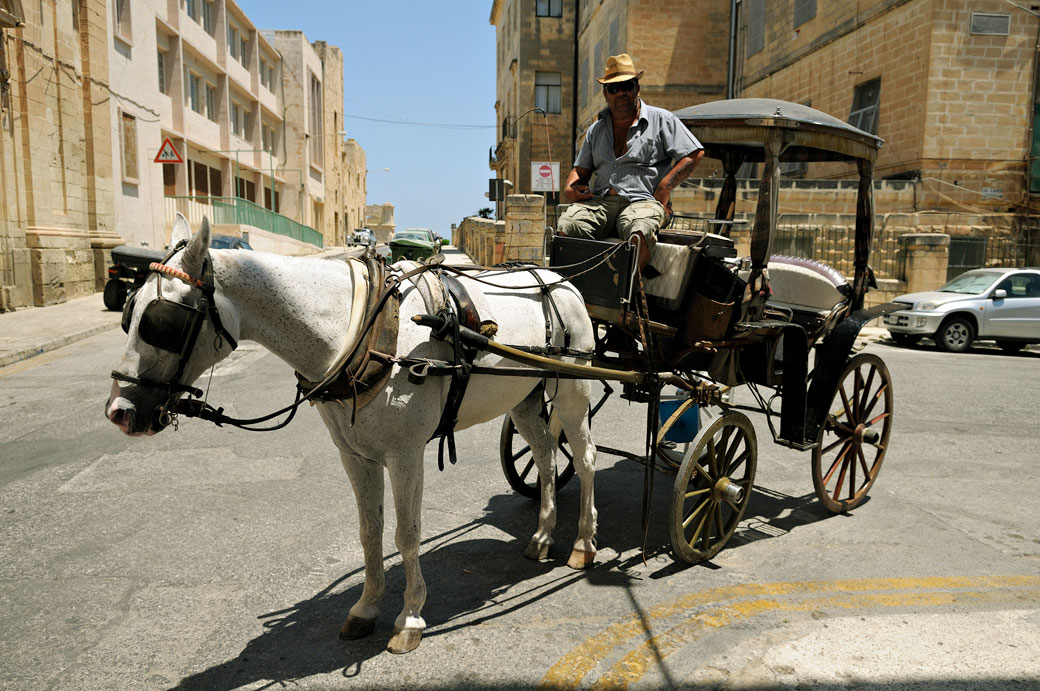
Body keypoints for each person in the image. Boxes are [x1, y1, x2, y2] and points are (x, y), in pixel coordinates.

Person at [557, 53, 704, 275]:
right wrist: (570, 189)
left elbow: (694, 153)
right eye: (614, 88)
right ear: (605, 93)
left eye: (627, 85)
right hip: (601, 202)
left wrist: (664, 188)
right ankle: (576, 289)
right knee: (567, 227)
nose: (622, 93)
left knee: (639, 231)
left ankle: (627, 295)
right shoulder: (596, 130)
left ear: (637, 87)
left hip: (642, 202)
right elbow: (580, 171)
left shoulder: (661, 119)